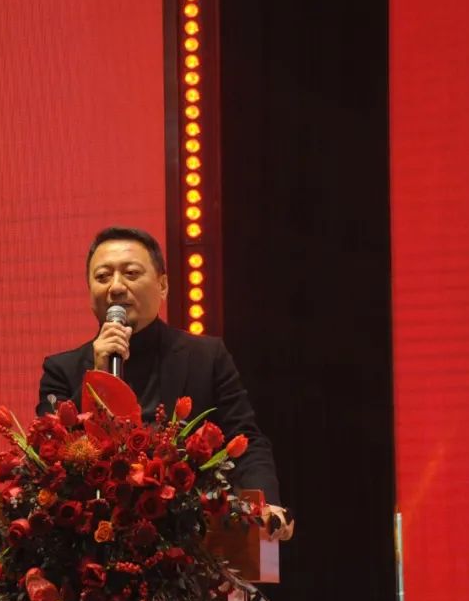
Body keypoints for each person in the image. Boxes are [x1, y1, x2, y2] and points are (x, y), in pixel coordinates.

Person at [37, 227, 293, 541]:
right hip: (92, 540)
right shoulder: (61, 370)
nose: (116, 287)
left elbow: (245, 440)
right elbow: (50, 461)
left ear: (163, 285)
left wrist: (266, 504)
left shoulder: (206, 358)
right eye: (102, 277)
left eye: (131, 273)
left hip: (192, 537)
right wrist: (98, 377)